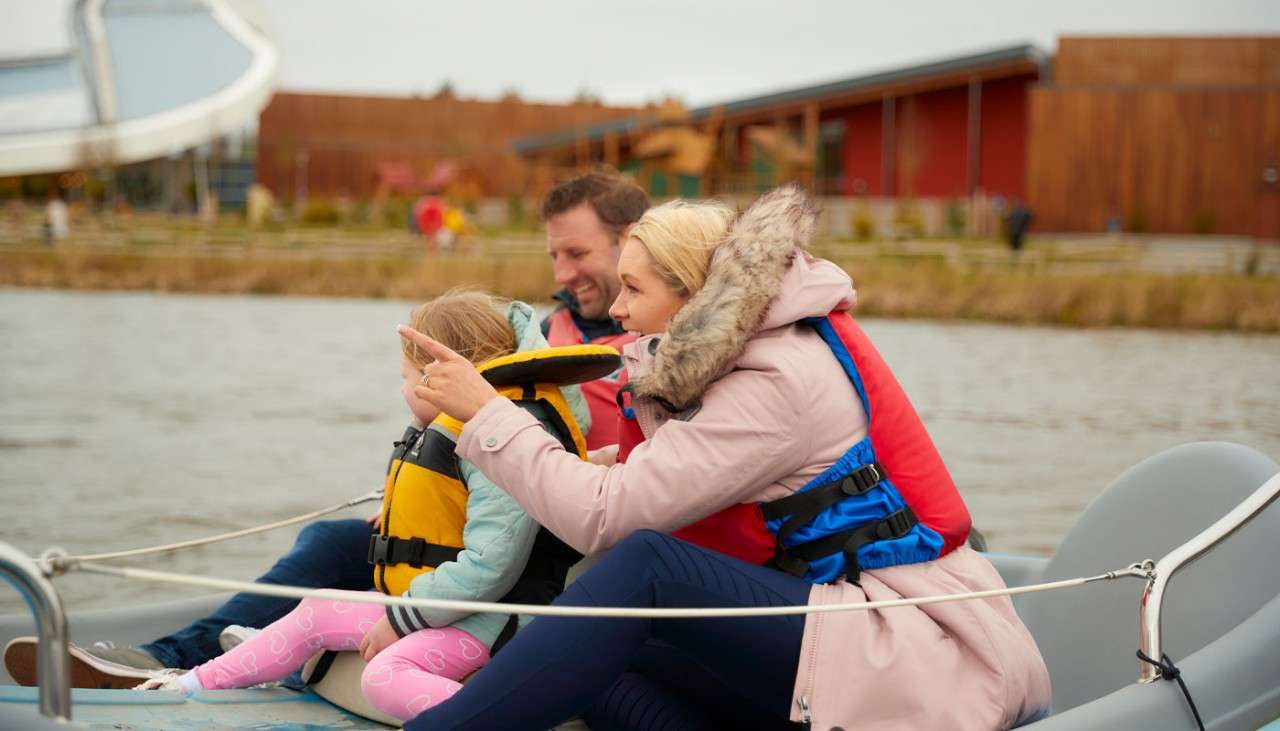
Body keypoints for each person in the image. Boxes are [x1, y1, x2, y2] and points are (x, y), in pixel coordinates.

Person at [395, 187, 1051, 730]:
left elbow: (603, 518)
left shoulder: (775, 380)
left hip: (913, 651)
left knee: (643, 566)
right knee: (590, 654)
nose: (618, 310)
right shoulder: (755, 355)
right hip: (838, 617)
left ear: (692, 297)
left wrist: (485, 410)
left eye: (633, 288)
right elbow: (660, 473)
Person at [3, 171, 650, 689]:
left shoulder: (644, 348)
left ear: (630, 242)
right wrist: (413, 499)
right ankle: (193, 653)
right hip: (487, 507)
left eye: (578, 253)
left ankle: (178, 656)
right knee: (343, 537)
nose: (562, 273)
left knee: (331, 547)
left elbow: (599, 460)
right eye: (554, 255)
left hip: (546, 550)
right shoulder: (549, 335)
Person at [133, 290, 603, 723]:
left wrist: (401, 621)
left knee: (382, 676)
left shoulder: (505, 437)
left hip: (493, 623)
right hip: (449, 610)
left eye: (406, 377)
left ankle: (499, 720)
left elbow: (492, 564)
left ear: (441, 375)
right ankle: (188, 683)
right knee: (317, 609)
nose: (402, 391)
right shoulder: (471, 425)